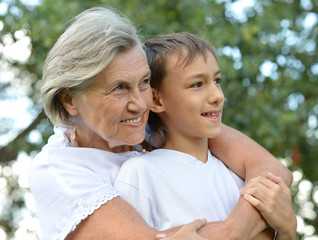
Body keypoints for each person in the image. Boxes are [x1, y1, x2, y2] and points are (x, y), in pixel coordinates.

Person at [28, 7, 293, 240]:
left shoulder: (157, 127)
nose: (140, 104)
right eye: (119, 88)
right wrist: (247, 227)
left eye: (144, 82)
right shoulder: (60, 171)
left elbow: (272, 170)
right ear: (70, 100)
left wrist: (283, 227)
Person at [114, 32, 296, 239]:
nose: (217, 96)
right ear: (156, 99)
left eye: (217, 81)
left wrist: (287, 232)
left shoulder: (240, 177)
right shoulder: (140, 174)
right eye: (197, 84)